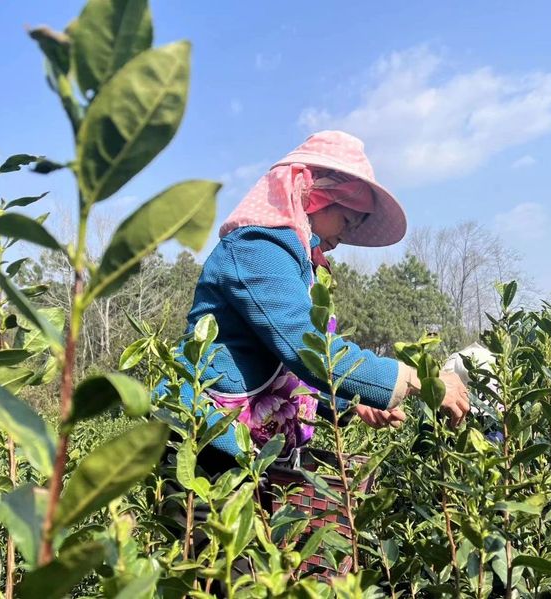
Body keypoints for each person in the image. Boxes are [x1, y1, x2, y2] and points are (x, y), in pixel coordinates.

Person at [154, 130, 470, 472]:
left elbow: (282, 367)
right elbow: (308, 350)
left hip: (236, 444)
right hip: (202, 442)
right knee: (207, 526)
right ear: (314, 195)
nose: (344, 236)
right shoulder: (257, 247)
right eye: (347, 221)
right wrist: (416, 377)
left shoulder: (292, 259)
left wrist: (351, 402)